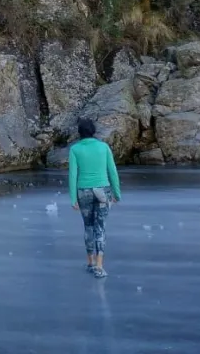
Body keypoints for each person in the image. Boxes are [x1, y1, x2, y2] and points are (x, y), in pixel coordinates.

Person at [69, 117, 122, 279]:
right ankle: (99, 265)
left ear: (80, 133)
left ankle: (90, 261)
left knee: (88, 227)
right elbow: (112, 171)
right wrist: (117, 193)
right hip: (102, 190)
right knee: (100, 227)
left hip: (83, 190)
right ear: (93, 131)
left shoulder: (75, 149)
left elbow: (72, 175)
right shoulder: (103, 147)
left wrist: (73, 198)